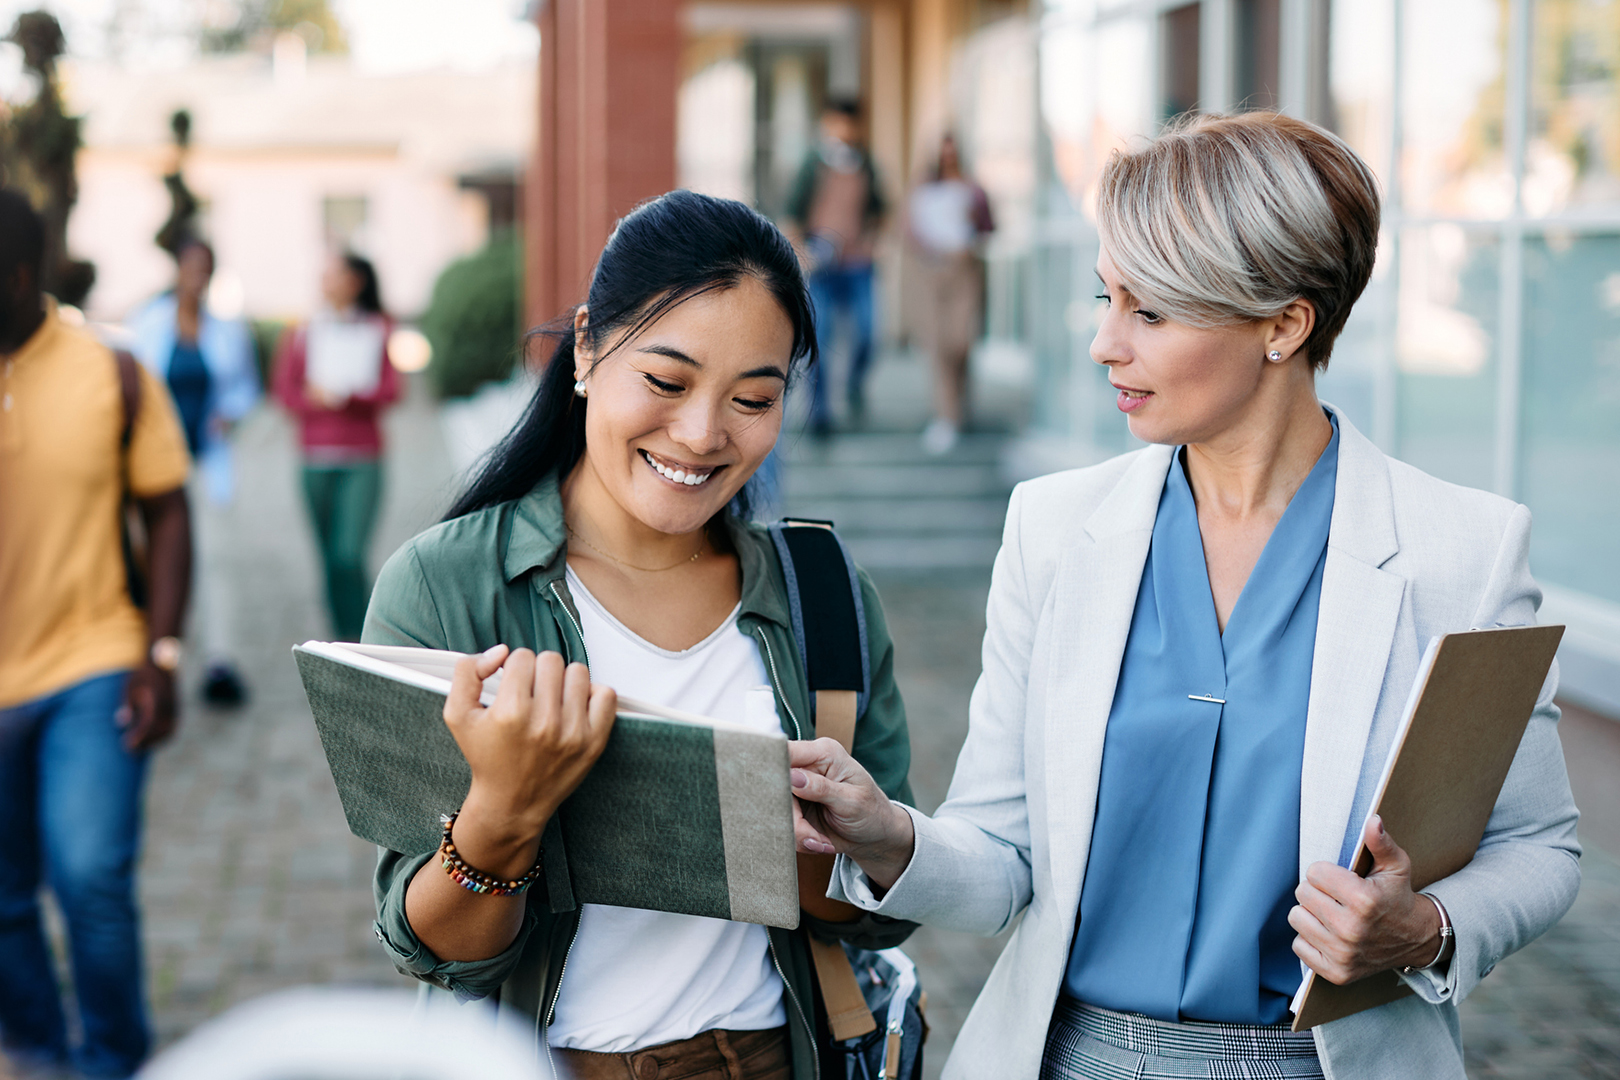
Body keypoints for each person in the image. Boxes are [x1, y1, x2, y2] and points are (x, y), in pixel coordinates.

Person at [787, 113, 1581, 1080]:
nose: (1102, 345)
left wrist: (1428, 929)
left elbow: (1540, 848)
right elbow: (1003, 859)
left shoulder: (1465, 552)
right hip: (1068, 1058)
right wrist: (888, 834)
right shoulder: (1050, 530)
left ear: (1285, 326)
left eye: (1149, 313)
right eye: (1104, 299)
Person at [361, 190, 915, 1080]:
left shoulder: (824, 593)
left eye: (753, 397)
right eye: (665, 381)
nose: (701, 434)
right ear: (586, 347)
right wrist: (505, 808)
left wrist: (859, 842)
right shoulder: (448, 587)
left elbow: (871, 918)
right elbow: (433, 949)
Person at [0, 189, 193, 1078]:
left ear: (22, 275)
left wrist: (161, 653)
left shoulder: (108, 371)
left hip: (92, 662)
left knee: (89, 881)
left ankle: (112, 1064)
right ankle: (42, 1051)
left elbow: (168, 512)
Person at [128, 236, 260, 703]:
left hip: (209, 459)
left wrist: (231, 412)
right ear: (178, 270)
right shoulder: (147, 323)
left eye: (205, 268)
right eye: (190, 266)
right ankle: (154, 657)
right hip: (156, 468)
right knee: (154, 563)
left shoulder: (228, 331)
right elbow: (134, 388)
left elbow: (247, 389)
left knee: (217, 561)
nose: (196, 276)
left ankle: (219, 662)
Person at [272, 252, 401, 642]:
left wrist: (349, 396)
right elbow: (283, 392)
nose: (325, 281)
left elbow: (392, 390)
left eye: (334, 274)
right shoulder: (303, 331)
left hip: (362, 458)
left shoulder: (378, 328)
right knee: (328, 557)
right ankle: (339, 638)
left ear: (356, 281)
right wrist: (315, 399)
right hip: (314, 458)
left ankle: (363, 633)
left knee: (349, 554)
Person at [784, 98, 886, 435]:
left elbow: (882, 210)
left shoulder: (866, 165)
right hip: (821, 267)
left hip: (858, 265)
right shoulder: (812, 164)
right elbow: (791, 215)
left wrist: (873, 240)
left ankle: (855, 383)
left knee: (868, 334)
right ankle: (820, 414)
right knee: (820, 340)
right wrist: (802, 253)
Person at [908, 133, 994, 455]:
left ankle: (959, 408)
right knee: (941, 345)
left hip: (965, 271)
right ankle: (947, 415)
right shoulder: (923, 190)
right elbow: (911, 230)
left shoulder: (972, 189)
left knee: (962, 342)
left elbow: (988, 227)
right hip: (933, 273)